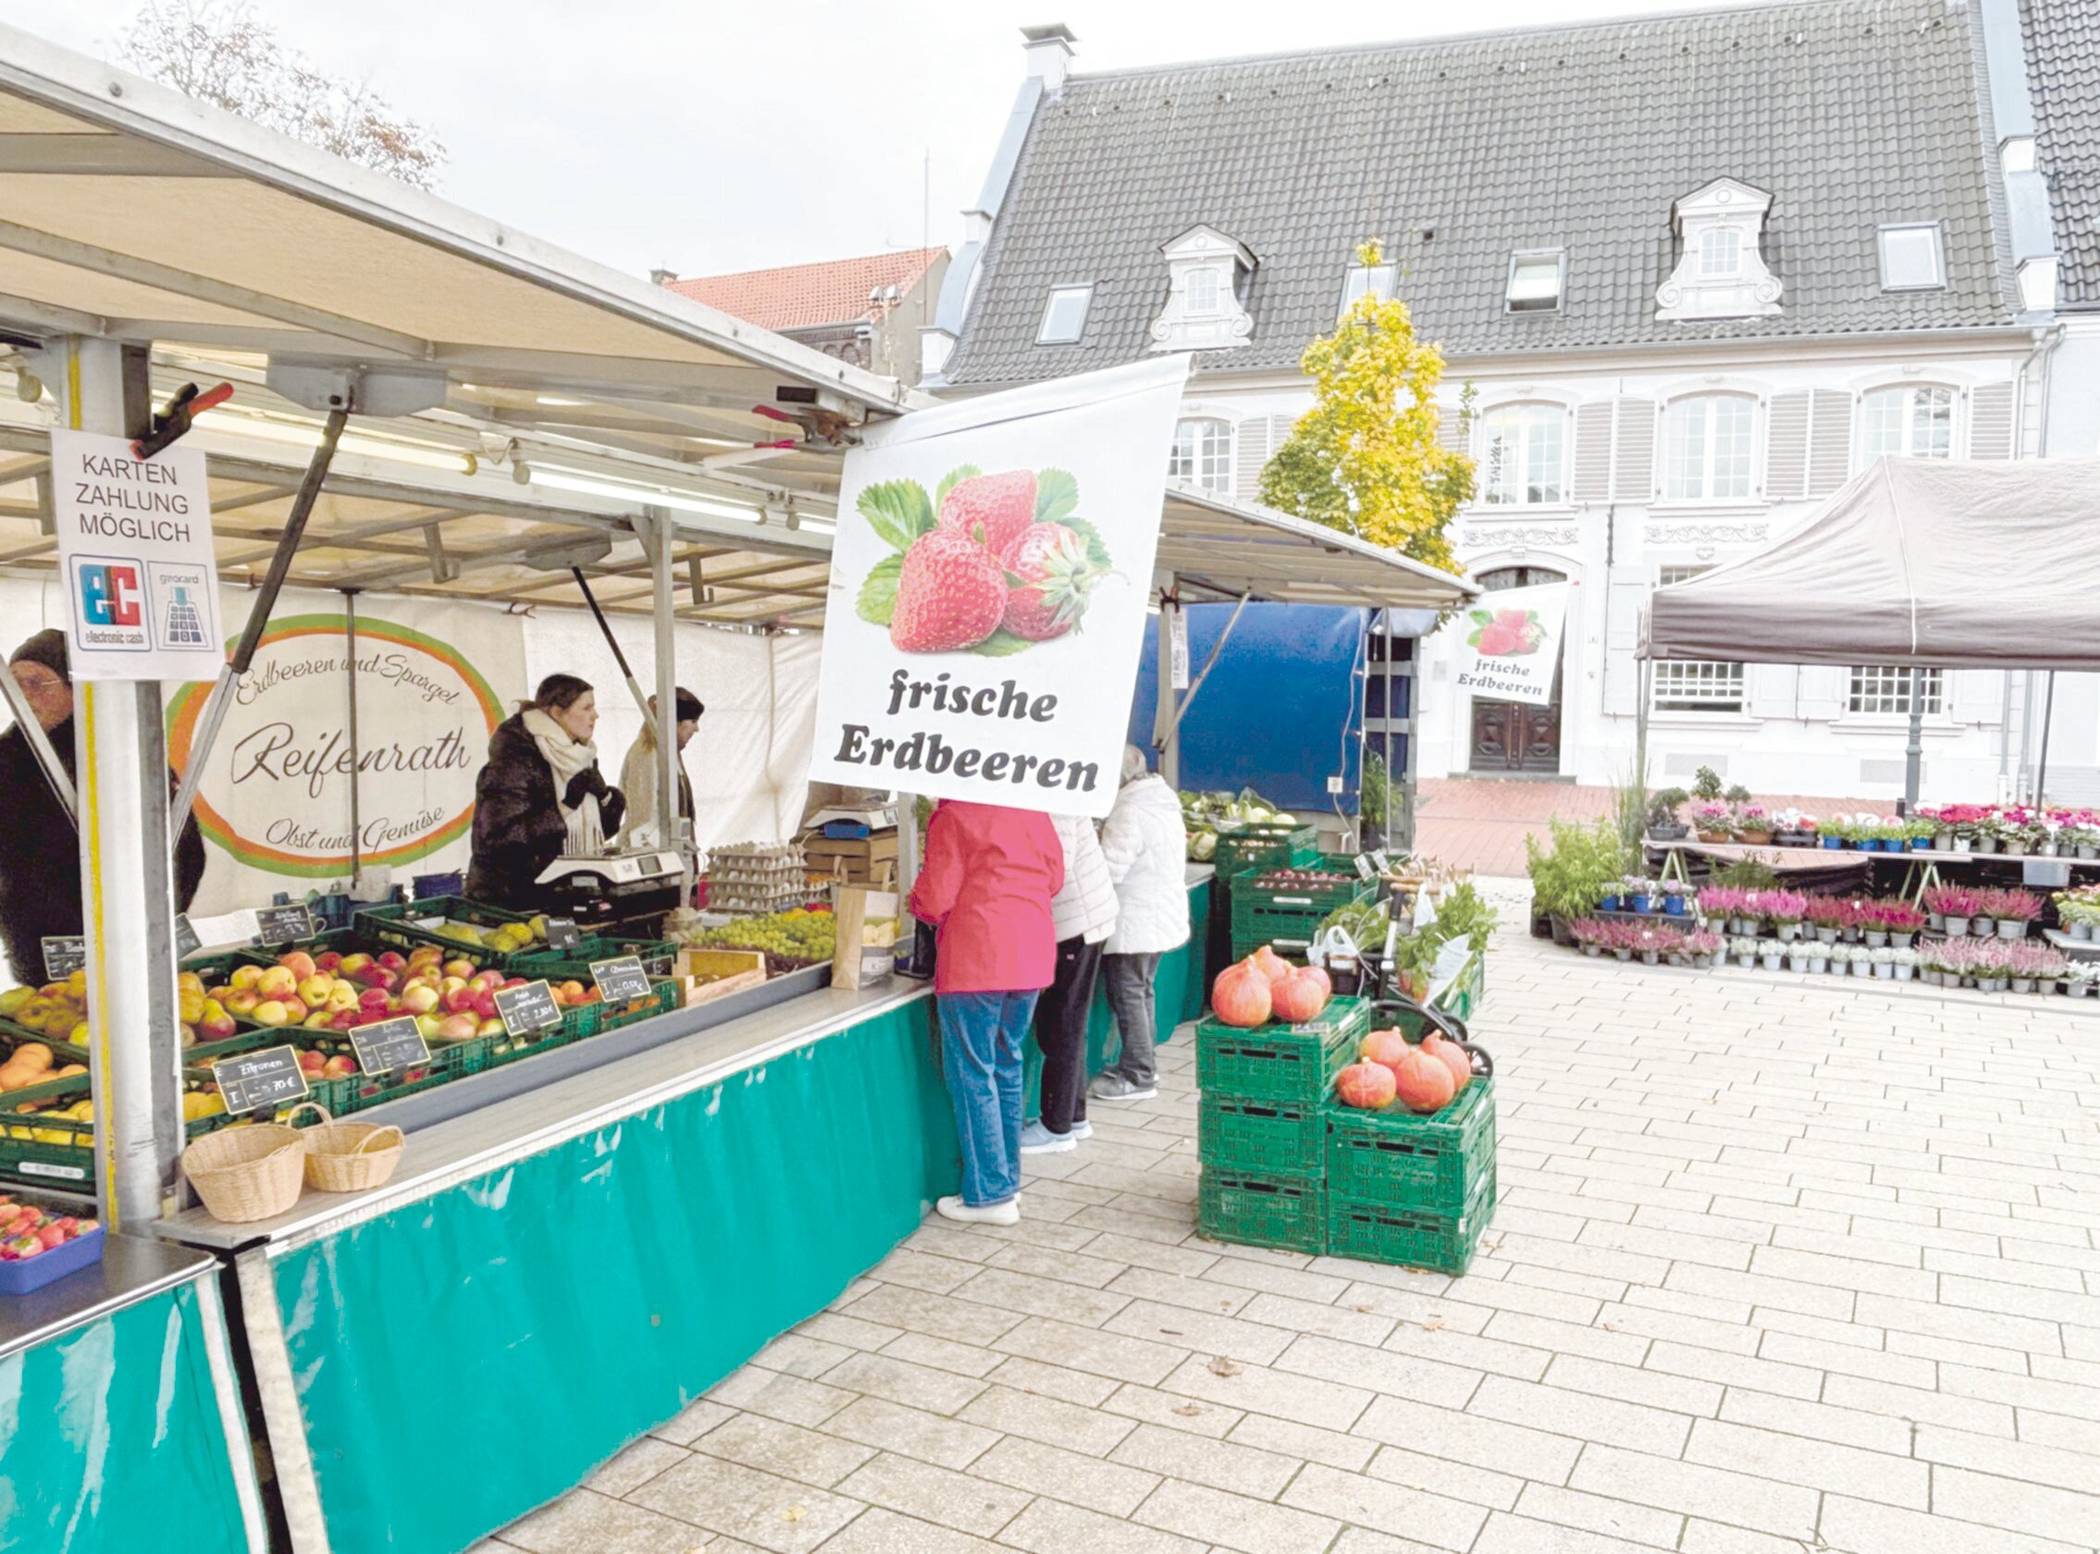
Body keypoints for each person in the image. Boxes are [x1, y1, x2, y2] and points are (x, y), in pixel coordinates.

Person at [0, 629, 206, 986]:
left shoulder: (121, 750)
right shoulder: (6, 757)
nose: (25, 695)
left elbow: (182, 841)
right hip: (41, 946)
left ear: (74, 688)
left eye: (39, 682)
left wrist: (166, 911)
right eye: (15, 683)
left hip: (131, 933)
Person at [908, 800, 1063, 1225]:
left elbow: (936, 897)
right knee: (1007, 1065)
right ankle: (1006, 1184)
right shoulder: (1032, 808)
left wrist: (914, 902)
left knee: (974, 1072)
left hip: (977, 956)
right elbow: (1055, 878)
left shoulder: (955, 813)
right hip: (1030, 953)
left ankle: (991, 1194)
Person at [465, 674, 624, 911]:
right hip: (510, 900)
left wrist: (607, 799)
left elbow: (598, 834)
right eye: (587, 707)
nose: (595, 715)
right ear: (557, 713)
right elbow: (501, 839)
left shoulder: (578, 755)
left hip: (557, 893)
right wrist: (564, 807)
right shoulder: (514, 760)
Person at [1089, 746, 1191, 1104]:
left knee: (1129, 993)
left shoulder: (1128, 811)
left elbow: (1109, 869)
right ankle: (1143, 1063)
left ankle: (1138, 1074)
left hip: (1136, 920)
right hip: (1159, 917)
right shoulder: (1162, 803)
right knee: (1142, 990)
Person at [1020, 814, 1117, 1154]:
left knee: (1062, 1025)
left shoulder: (1053, 799)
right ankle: (1074, 1116)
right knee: (1069, 1021)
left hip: (1075, 923)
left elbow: (1054, 867)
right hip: (1083, 917)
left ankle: (1056, 1126)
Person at [616, 687, 704, 850]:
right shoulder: (646, 753)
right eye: (693, 721)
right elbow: (643, 820)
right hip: (652, 857)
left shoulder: (670, 754)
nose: (697, 729)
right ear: (675, 722)